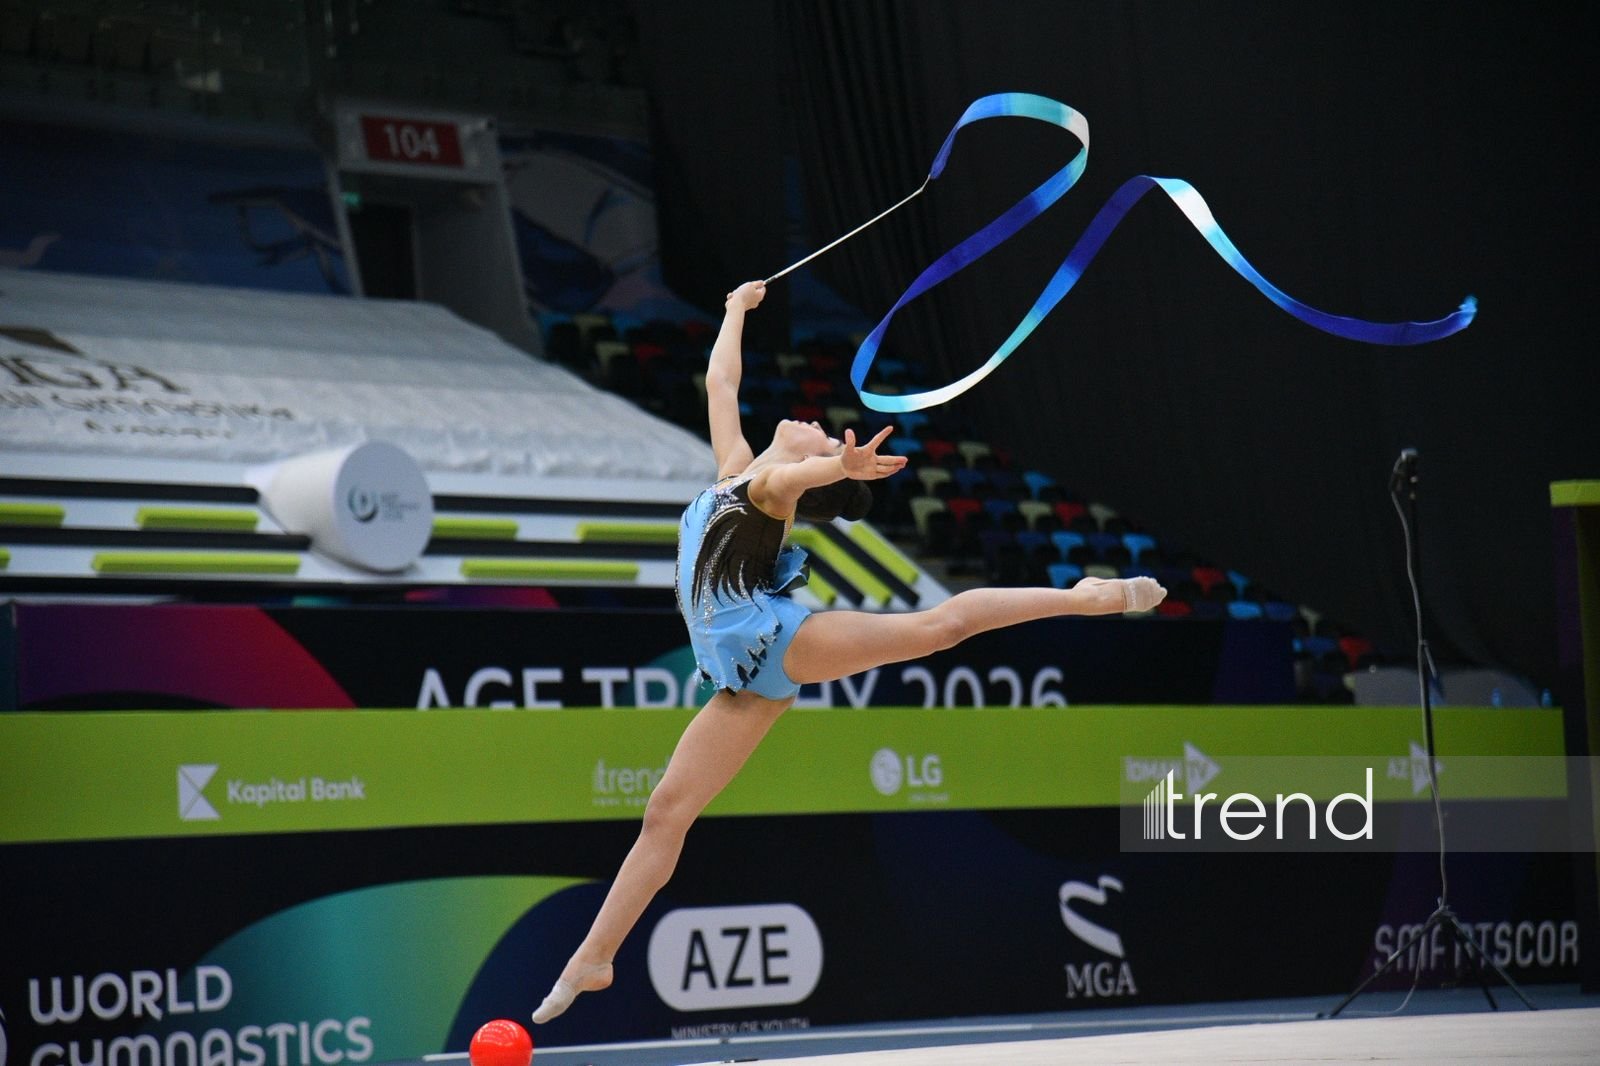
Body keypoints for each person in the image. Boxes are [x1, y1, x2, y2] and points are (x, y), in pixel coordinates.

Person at [531, 280, 1165, 1023]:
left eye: (824, 435)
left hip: (776, 640)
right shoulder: (734, 466)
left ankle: (1084, 596)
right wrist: (733, 310)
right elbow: (720, 382)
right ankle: (595, 956)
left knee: (934, 630)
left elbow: (798, 476)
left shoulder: (771, 487)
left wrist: (841, 467)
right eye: (825, 434)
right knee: (666, 811)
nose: (815, 425)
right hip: (742, 681)